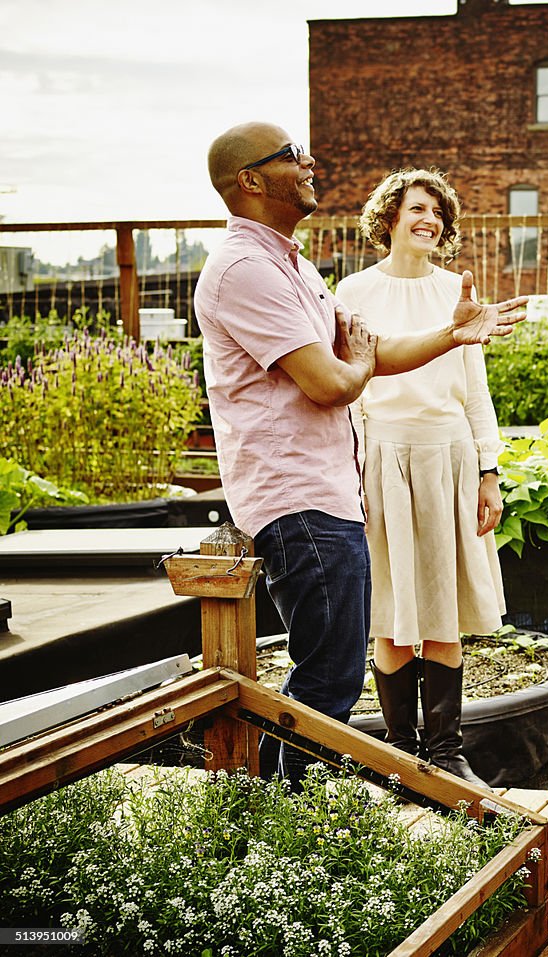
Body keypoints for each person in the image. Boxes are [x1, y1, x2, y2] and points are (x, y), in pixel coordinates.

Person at [193, 122, 526, 788]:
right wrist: (365, 366)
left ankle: (319, 805)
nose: (309, 159)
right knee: (332, 669)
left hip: (336, 489)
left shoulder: (294, 266)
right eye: (292, 154)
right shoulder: (246, 269)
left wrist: (450, 335)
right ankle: (292, 818)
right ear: (252, 181)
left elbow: (370, 359)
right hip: (301, 497)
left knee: (337, 666)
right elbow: (331, 380)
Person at [336, 168, 504, 788]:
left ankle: (446, 752)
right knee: (390, 607)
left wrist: (489, 473)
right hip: (381, 459)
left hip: (449, 459)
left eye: (438, 211)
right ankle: (400, 754)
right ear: (389, 219)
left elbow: (476, 392)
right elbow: (349, 390)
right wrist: (349, 473)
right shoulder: (352, 292)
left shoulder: (455, 294)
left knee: (442, 607)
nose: (429, 219)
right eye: (416, 208)